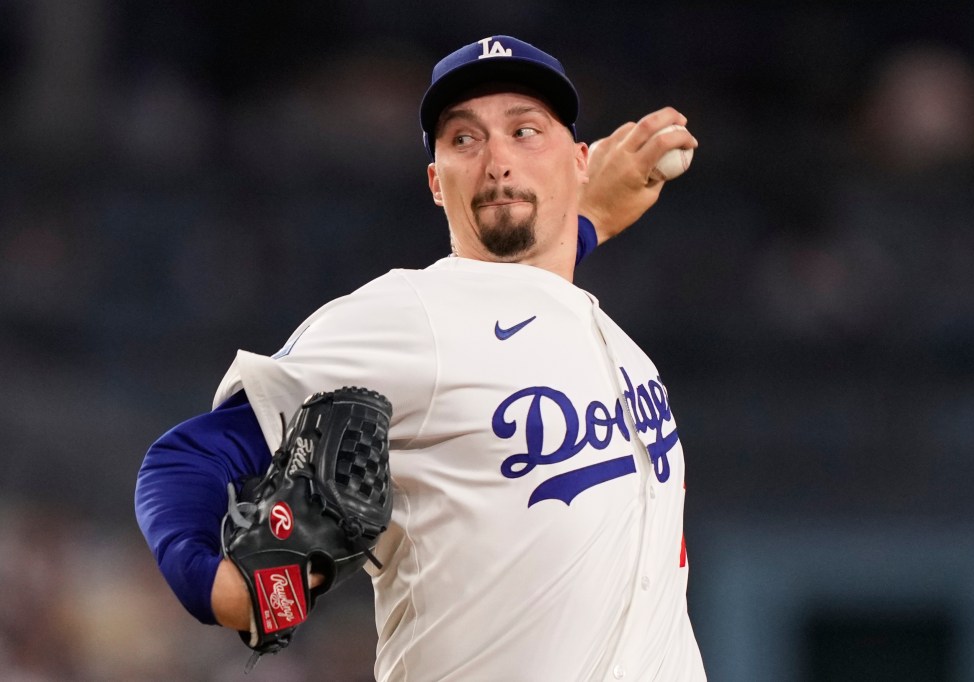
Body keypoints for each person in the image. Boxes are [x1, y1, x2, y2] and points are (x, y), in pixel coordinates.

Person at [135, 34, 704, 680]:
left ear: (579, 160)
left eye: (525, 132)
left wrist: (582, 225)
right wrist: (213, 587)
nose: (497, 161)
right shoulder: (414, 316)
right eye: (465, 139)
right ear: (437, 182)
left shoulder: (626, 354)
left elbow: (536, 295)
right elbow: (186, 458)